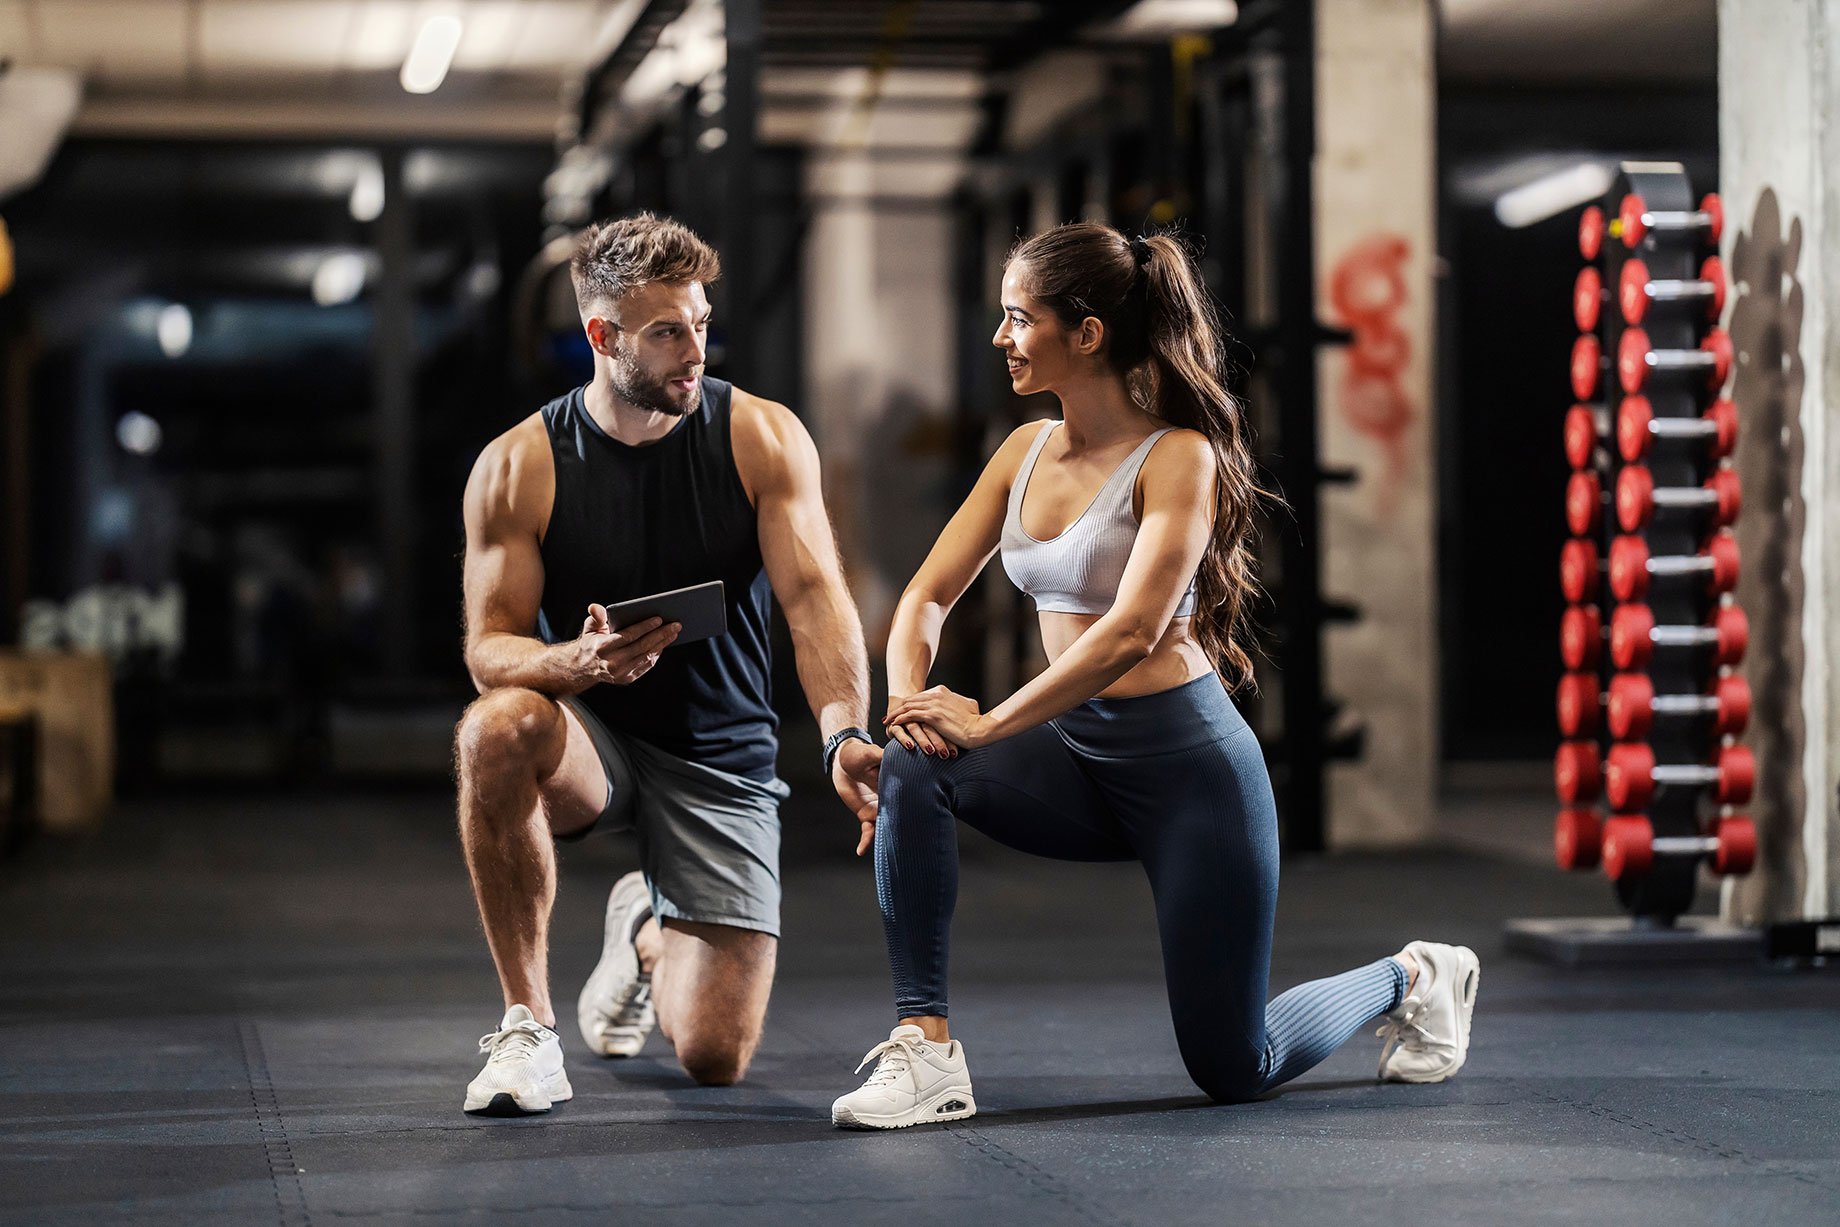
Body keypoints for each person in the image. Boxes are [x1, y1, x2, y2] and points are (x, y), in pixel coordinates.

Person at [829, 223, 1479, 1129]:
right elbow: (926, 596)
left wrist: (987, 723)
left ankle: (1413, 976)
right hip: (1079, 761)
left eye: (1019, 318)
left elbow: (1132, 631)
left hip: (1191, 776)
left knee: (1233, 1065)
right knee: (916, 758)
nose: (1001, 336)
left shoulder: (1179, 457)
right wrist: (908, 706)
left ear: (1086, 333)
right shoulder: (1020, 453)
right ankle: (927, 1053)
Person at [456, 213, 881, 1116]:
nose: (695, 349)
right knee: (497, 725)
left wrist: (844, 730)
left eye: (700, 322)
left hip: (720, 755)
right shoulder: (518, 465)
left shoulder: (760, 436)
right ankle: (528, 1029)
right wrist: (576, 661)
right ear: (601, 337)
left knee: (714, 1056)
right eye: (666, 331)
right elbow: (489, 647)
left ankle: (647, 928)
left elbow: (814, 600)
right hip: (591, 741)